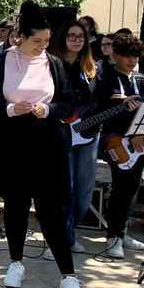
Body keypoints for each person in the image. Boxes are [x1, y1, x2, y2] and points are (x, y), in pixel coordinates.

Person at [0, 1, 86, 288]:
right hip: (10, 141)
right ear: (20, 37)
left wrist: (49, 109)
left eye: (47, 41)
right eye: (38, 40)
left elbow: (67, 102)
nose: (43, 46)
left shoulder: (54, 64)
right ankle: (15, 262)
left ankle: (68, 276)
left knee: (51, 209)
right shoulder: (0, 63)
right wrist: (11, 108)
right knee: (16, 204)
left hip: (47, 141)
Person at [98, 33, 144, 259]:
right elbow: (103, 108)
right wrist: (130, 132)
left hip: (141, 142)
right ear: (115, 55)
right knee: (122, 189)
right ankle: (113, 236)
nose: (132, 60)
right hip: (115, 139)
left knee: (132, 188)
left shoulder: (143, 79)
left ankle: (122, 232)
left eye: (135, 56)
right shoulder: (105, 76)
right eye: (127, 56)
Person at [49, 20, 102, 258]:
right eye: (72, 36)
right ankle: (63, 239)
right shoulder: (50, 65)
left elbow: (101, 101)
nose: (77, 40)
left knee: (84, 191)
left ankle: (69, 233)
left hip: (89, 133)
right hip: (60, 131)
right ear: (63, 38)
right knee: (65, 187)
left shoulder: (93, 69)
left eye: (81, 36)